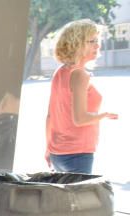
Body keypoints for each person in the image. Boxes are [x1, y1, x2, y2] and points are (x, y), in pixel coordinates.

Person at [46, 19, 118, 174]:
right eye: (92, 41)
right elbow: (80, 119)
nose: (97, 45)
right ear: (76, 44)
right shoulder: (79, 74)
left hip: (58, 152)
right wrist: (103, 115)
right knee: (83, 198)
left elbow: (50, 116)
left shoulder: (60, 71)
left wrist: (48, 149)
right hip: (77, 154)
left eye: (97, 40)